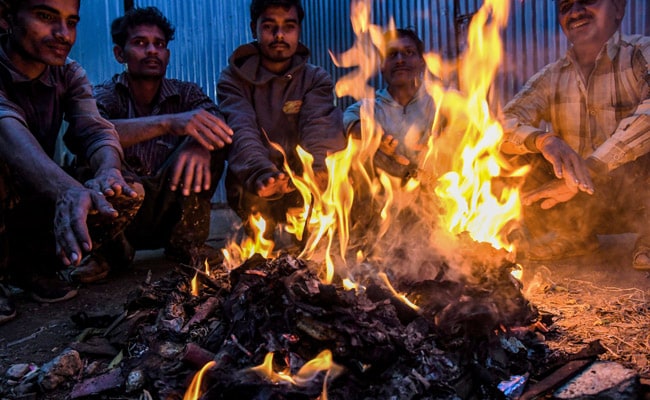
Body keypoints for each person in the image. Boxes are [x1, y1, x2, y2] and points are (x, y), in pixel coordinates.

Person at [0, 0, 143, 324]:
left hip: (29, 195)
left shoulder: (68, 72)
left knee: (125, 192)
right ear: (6, 17)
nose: (63, 33)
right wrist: (66, 189)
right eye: (46, 16)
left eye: (72, 21)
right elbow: (5, 125)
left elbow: (94, 130)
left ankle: (32, 267)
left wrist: (109, 170)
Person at [500, 0, 649, 269]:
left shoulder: (642, 53)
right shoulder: (551, 76)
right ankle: (575, 235)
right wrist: (544, 140)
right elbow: (502, 126)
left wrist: (589, 169)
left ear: (618, 8)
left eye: (587, 0)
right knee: (509, 153)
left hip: (637, 201)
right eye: (566, 6)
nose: (576, 12)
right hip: (578, 201)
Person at [93, 6, 233, 266]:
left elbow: (218, 120)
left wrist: (199, 144)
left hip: (172, 207)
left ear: (167, 54)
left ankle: (186, 245)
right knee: (88, 159)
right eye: (140, 43)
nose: (151, 51)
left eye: (159, 44)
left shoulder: (186, 93)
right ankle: (108, 254)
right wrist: (168, 123)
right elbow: (90, 131)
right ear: (119, 53)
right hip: (123, 215)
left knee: (212, 139)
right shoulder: (105, 94)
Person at [217, 0, 346, 240]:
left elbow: (319, 126)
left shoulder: (316, 79)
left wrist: (317, 171)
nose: (279, 35)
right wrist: (262, 173)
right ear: (253, 28)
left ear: (299, 30)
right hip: (256, 180)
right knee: (261, 255)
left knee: (311, 253)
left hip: (302, 182)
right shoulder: (233, 80)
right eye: (269, 27)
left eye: (288, 27)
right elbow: (241, 128)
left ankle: (311, 233)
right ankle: (260, 236)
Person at [343, 28, 437, 183]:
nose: (400, 60)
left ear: (422, 62)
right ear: (382, 66)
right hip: (385, 202)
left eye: (409, 52)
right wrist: (372, 135)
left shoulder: (441, 100)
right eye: (392, 55)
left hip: (441, 199)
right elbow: (347, 120)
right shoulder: (372, 107)